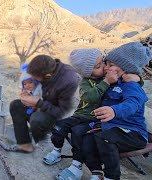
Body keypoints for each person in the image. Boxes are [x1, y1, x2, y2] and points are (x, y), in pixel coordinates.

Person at [58, 42, 151, 180]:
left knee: (104, 137)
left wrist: (115, 110)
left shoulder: (132, 85)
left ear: (125, 68)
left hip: (132, 132)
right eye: (105, 63)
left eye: (110, 65)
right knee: (83, 134)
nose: (106, 68)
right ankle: (92, 171)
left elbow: (133, 103)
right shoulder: (113, 80)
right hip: (110, 127)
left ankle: (111, 176)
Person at [43, 48, 115, 165]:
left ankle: (77, 163)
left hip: (95, 119)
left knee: (78, 134)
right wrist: (106, 82)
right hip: (81, 116)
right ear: (88, 73)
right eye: (98, 67)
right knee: (58, 127)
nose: (104, 67)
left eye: (103, 62)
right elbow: (89, 97)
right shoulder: (86, 82)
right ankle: (56, 151)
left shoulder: (111, 78)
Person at [8, 55, 80, 153]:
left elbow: (63, 113)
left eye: (35, 79)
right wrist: (27, 94)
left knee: (37, 119)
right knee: (16, 105)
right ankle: (24, 145)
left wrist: (38, 103)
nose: (34, 80)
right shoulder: (47, 69)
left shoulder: (68, 81)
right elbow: (38, 90)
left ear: (47, 76)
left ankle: (42, 145)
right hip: (44, 107)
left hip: (60, 117)